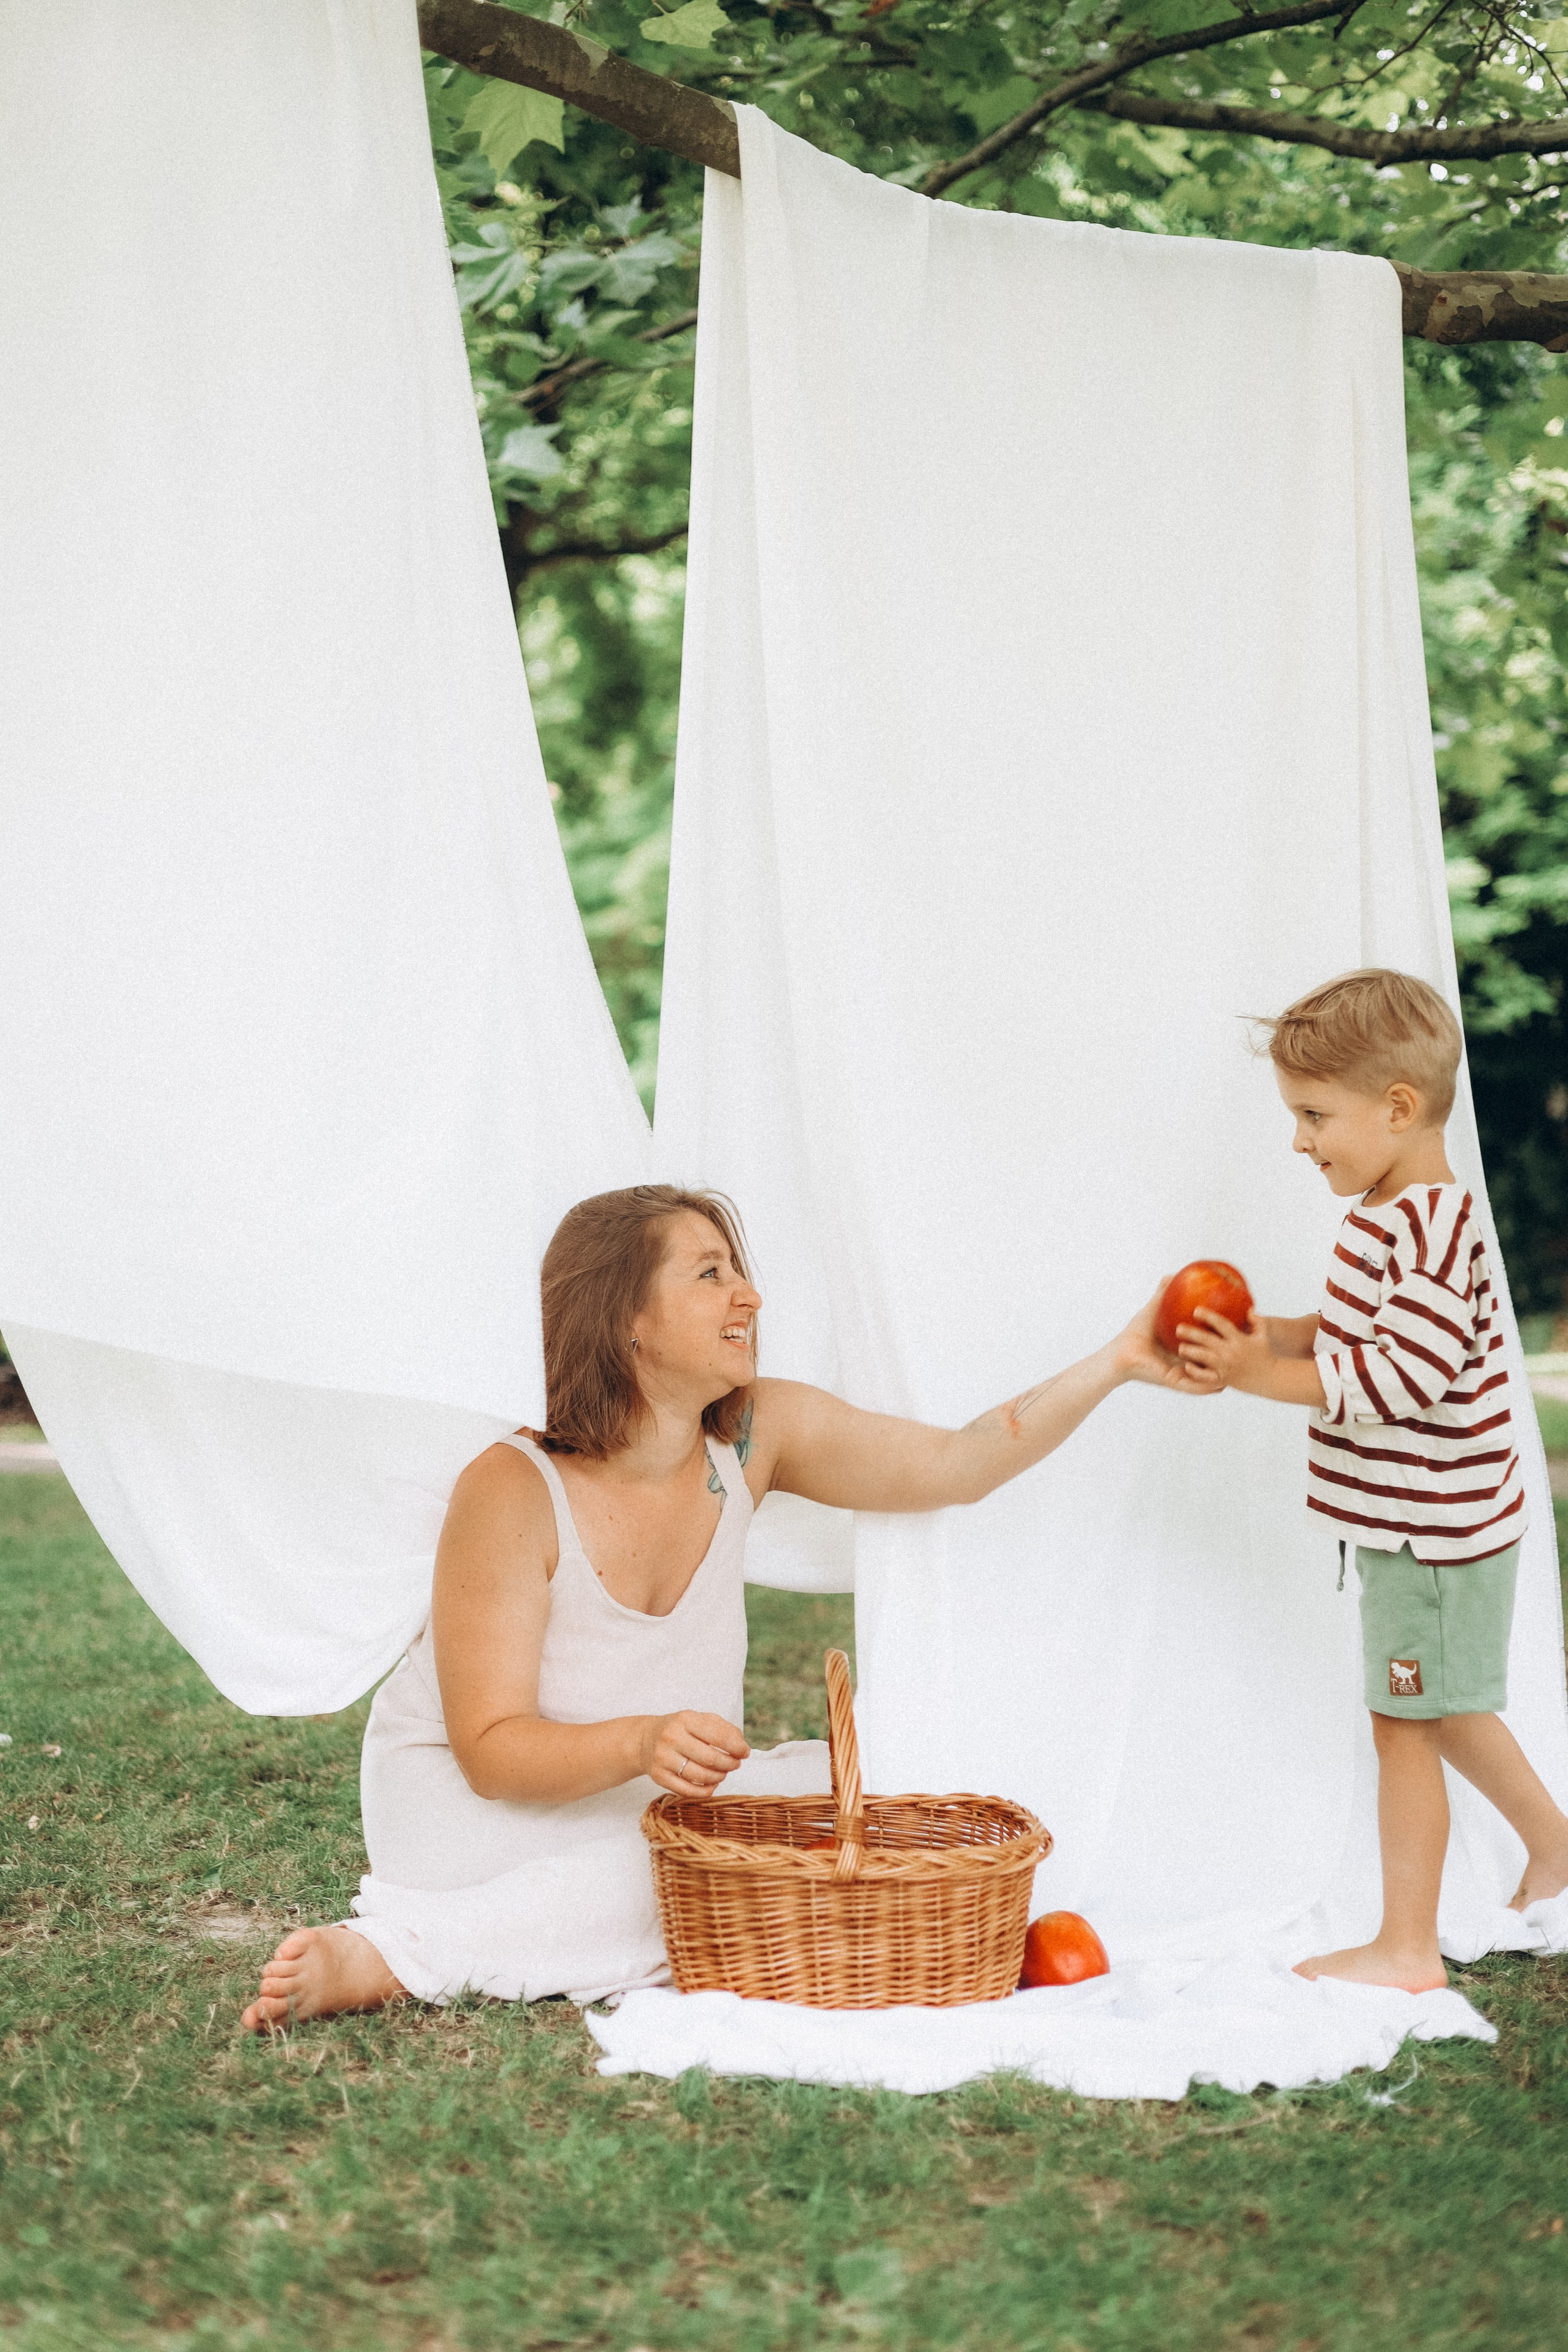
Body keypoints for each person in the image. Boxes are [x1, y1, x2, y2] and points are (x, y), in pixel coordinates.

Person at [243, 1184, 1186, 2029]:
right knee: (683, 1878)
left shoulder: (755, 1435)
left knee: (865, 1783)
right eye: (709, 1274)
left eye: (737, 1271)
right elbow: (490, 1752)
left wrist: (1119, 1361)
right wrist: (639, 1741)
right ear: (626, 1323)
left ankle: (551, 1928)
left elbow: (959, 1462)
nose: (750, 1297)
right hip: (472, 1814)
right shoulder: (512, 1488)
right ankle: (399, 1955)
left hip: (652, 1801)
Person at [1174, 968, 1568, 1993]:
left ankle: (1406, 1948)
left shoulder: (1433, 1230)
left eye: (1314, 1115)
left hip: (1433, 1537)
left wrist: (1261, 1376)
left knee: (1406, 1726)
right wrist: (1265, 1335)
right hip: (1426, 1530)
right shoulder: (1393, 1215)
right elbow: (1356, 1335)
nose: (1301, 1140)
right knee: (1446, 1707)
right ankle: (1557, 1846)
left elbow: (1400, 1378)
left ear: (1398, 1109)